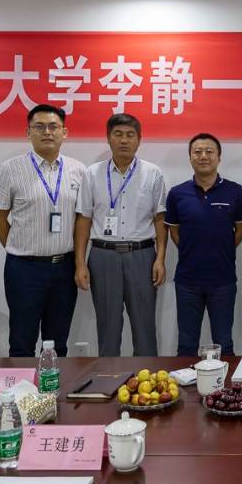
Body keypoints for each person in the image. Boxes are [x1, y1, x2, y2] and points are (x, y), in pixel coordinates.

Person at [0, 104, 85, 357]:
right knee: (22, 341)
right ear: (28, 132)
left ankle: (53, 383)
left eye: (53, 126)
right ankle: (22, 384)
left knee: (57, 342)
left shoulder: (78, 170)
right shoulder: (10, 169)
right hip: (24, 269)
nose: (47, 132)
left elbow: (81, 219)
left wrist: (79, 263)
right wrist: (19, 248)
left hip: (64, 268)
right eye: (39, 127)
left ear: (65, 132)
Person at [73, 113, 167, 357]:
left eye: (130, 135)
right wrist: (80, 263)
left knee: (144, 325)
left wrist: (160, 259)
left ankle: (148, 376)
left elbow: (159, 219)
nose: (124, 140)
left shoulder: (153, 173)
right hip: (103, 256)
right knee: (108, 326)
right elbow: (84, 219)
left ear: (139, 140)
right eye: (118, 134)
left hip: (142, 256)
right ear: (108, 138)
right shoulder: (92, 173)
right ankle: (108, 377)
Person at [165, 133, 242, 357]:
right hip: (187, 280)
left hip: (223, 280)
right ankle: (184, 380)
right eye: (197, 152)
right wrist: (192, 249)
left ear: (219, 157)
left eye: (209, 152)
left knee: (224, 343)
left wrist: (222, 248)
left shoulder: (236, 191)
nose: (203, 156)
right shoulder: (177, 194)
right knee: (186, 344)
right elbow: (174, 231)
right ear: (190, 157)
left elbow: (241, 230)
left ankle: (227, 381)